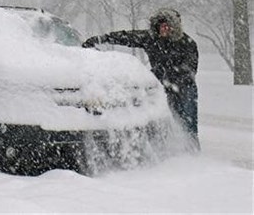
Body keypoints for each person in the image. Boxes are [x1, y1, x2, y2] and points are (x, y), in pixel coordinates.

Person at [81, 8, 200, 150]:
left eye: (167, 26)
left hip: (184, 89)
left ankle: (192, 152)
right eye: (161, 25)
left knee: (187, 123)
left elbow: (189, 70)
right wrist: (102, 39)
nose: (164, 29)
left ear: (175, 27)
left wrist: (166, 74)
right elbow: (126, 37)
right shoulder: (150, 38)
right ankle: (169, 151)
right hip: (162, 88)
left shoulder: (187, 43)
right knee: (163, 122)